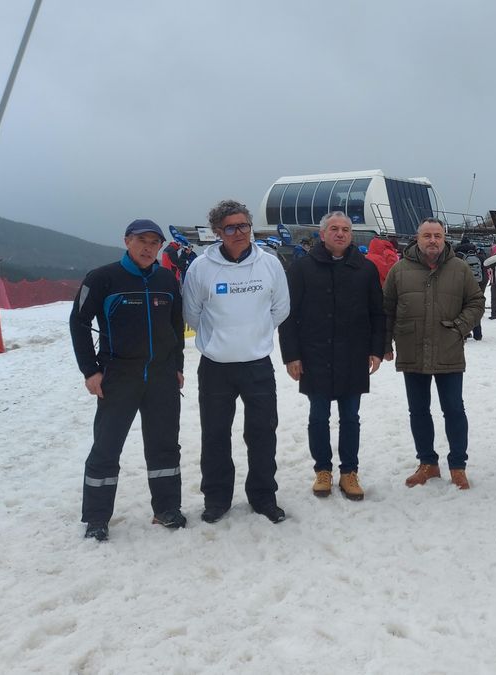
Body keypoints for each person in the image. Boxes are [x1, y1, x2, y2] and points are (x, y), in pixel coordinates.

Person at [69, 219, 186, 541]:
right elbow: (78, 322)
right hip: (118, 377)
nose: (148, 247)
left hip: (162, 377)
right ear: (127, 241)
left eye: (154, 242)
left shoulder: (166, 279)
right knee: (107, 448)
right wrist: (90, 370)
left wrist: (178, 366)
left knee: (164, 447)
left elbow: (176, 326)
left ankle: (166, 508)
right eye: (142, 240)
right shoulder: (102, 278)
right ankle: (96, 518)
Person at [183, 199, 291, 525]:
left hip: (257, 364)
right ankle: (217, 498)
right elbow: (192, 314)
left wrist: (254, 334)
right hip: (216, 366)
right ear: (218, 232)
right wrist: (221, 339)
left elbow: (280, 309)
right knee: (215, 434)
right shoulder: (201, 268)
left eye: (244, 225)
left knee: (262, 433)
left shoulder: (269, 264)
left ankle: (263, 497)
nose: (240, 232)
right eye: (231, 227)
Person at [279, 211, 385, 501]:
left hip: (353, 354)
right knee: (318, 416)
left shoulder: (365, 269)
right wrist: (292, 355)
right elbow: (288, 316)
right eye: (334, 229)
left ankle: (349, 471)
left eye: (346, 229)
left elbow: (378, 312)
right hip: (315, 355)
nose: (340, 233)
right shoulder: (301, 269)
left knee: (351, 416)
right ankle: (322, 471)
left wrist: (377, 348)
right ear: (322, 234)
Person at [383, 218, 485, 489]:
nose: (432, 240)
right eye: (427, 235)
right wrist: (385, 343)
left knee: (453, 410)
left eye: (437, 235)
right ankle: (427, 463)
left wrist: (459, 328)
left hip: (448, 349)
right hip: (411, 349)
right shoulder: (400, 270)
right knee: (418, 411)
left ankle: (457, 466)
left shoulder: (460, 269)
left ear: (444, 238)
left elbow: (476, 302)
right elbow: (387, 308)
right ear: (417, 238)